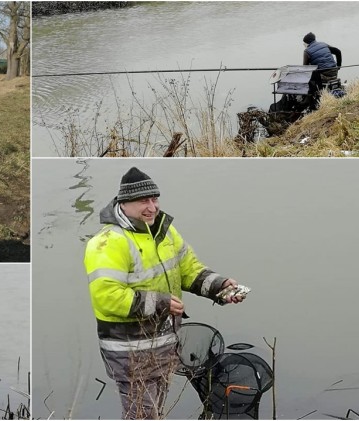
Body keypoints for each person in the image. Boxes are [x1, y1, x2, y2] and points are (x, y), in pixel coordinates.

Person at [83, 167, 246, 419]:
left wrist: (220, 286)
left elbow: (190, 271)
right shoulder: (107, 242)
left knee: (154, 413)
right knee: (143, 416)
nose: (151, 207)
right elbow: (107, 297)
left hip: (165, 346)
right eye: (143, 201)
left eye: (154, 199)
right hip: (131, 354)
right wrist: (161, 303)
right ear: (123, 203)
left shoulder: (165, 232)